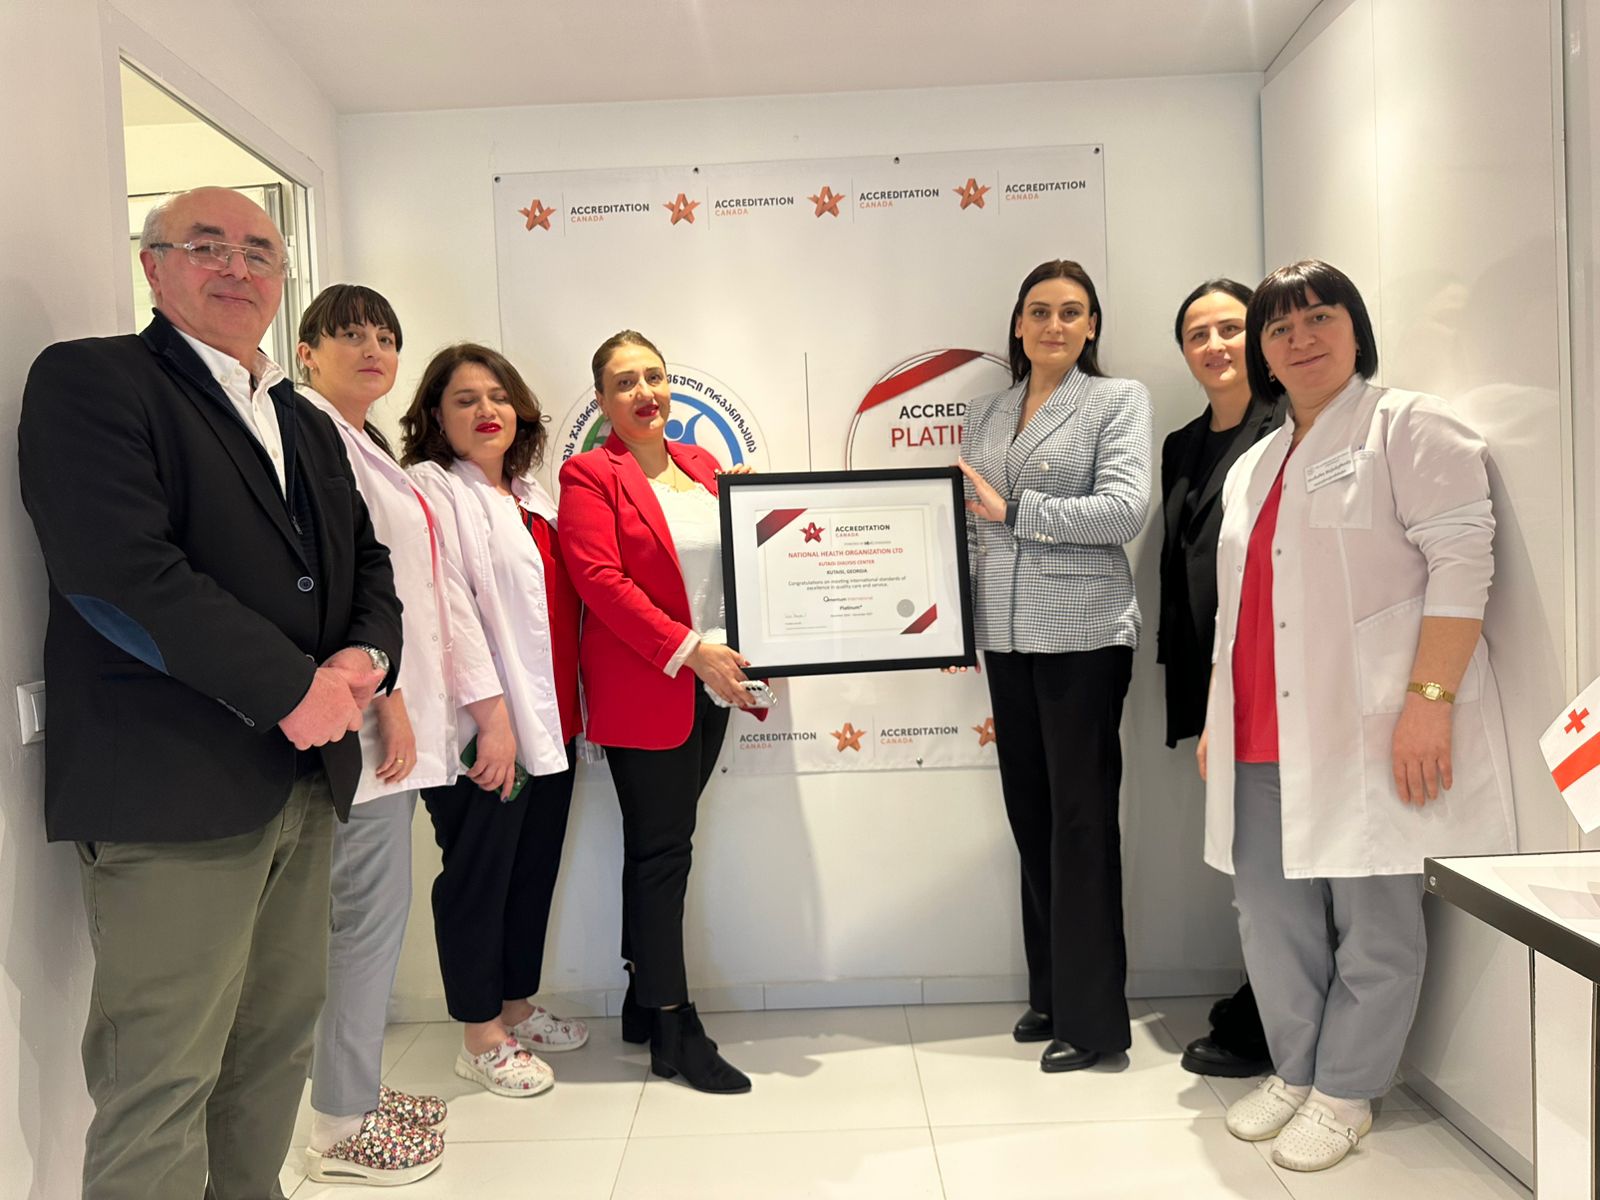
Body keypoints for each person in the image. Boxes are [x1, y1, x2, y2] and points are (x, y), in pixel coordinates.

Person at [17, 187, 402, 1200]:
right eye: (206, 246)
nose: (236, 267)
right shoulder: (93, 381)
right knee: (161, 1078)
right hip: (174, 793)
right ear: (153, 266)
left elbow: (366, 565)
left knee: (271, 1053)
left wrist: (366, 661)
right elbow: (118, 573)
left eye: (259, 251)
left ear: (282, 279)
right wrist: (292, 689)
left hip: (303, 789)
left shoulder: (301, 418)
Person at [1200, 259, 1516, 1171]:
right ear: (1263, 354)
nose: (1300, 339)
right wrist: (1220, 718)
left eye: (1319, 318)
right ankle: (1297, 1070)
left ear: (1355, 329)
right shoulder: (1256, 463)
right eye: (1279, 328)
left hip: (1365, 723)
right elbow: (1239, 610)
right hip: (1260, 729)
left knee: (1377, 917)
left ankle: (1347, 1091)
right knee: (1271, 917)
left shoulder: (1408, 426)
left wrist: (1428, 703)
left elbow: (1463, 563)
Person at [298, 287, 512, 1183]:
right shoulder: (309, 438)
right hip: (362, 719)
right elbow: (328, 586)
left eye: (386, 337)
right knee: (363, 918)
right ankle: (338, 1126)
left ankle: (354, 1093)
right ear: (307, 351)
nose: (373, 350)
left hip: (393, 713)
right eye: (350, 334)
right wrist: (383, 691)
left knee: (372, 916)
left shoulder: (364, 444)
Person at [956, 260, 1154, 1073]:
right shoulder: (988, 411)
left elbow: (1125, 509)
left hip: (1083, 637)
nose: (1054, 325)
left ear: (1093, 325)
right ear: (1017, 323)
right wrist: (952, 619)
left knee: (1080, 825)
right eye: (1039, 311)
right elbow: (966, 525)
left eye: (1072, 312)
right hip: (1006, 639)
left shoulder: (1116, 400)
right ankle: (1051, 994)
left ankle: (1095, 1021)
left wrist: (1016, 512)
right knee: (1031, 817)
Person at [558, 330, 755, 1095]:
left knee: (659, 846)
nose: (645, 393)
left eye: (654, 377)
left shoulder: (704, 467)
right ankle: (675, 1026)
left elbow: (735, 563)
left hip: (711, 688)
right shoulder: (588, 474)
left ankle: (644, 998)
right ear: (602, 401)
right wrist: (689, 649)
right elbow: (600, 581)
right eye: (625, 382)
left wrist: (760, 508)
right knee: (663, 852)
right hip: (649, 687)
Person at [401, 343, 589, 1098]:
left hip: (549, 724)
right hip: (485, 732)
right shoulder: (431, 490)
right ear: (435, 417)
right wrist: (494, 720)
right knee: (478, 877)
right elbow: (444, 608)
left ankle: (514, 1006)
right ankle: (479, 1034)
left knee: (530, 869)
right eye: (465, 399)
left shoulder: (532, 495)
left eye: (498, 396)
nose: (487, 411)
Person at [1158, 279, 1280, 1080]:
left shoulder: (1288, 430)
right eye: (1197, 334)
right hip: (1205, 665)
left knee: (1270, 850)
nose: (1214, 346)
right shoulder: (1183, 443)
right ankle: (1264, 991)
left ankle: (1271, 1013)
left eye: (1230, 328)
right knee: (1244, 843)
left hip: (1264, 670)